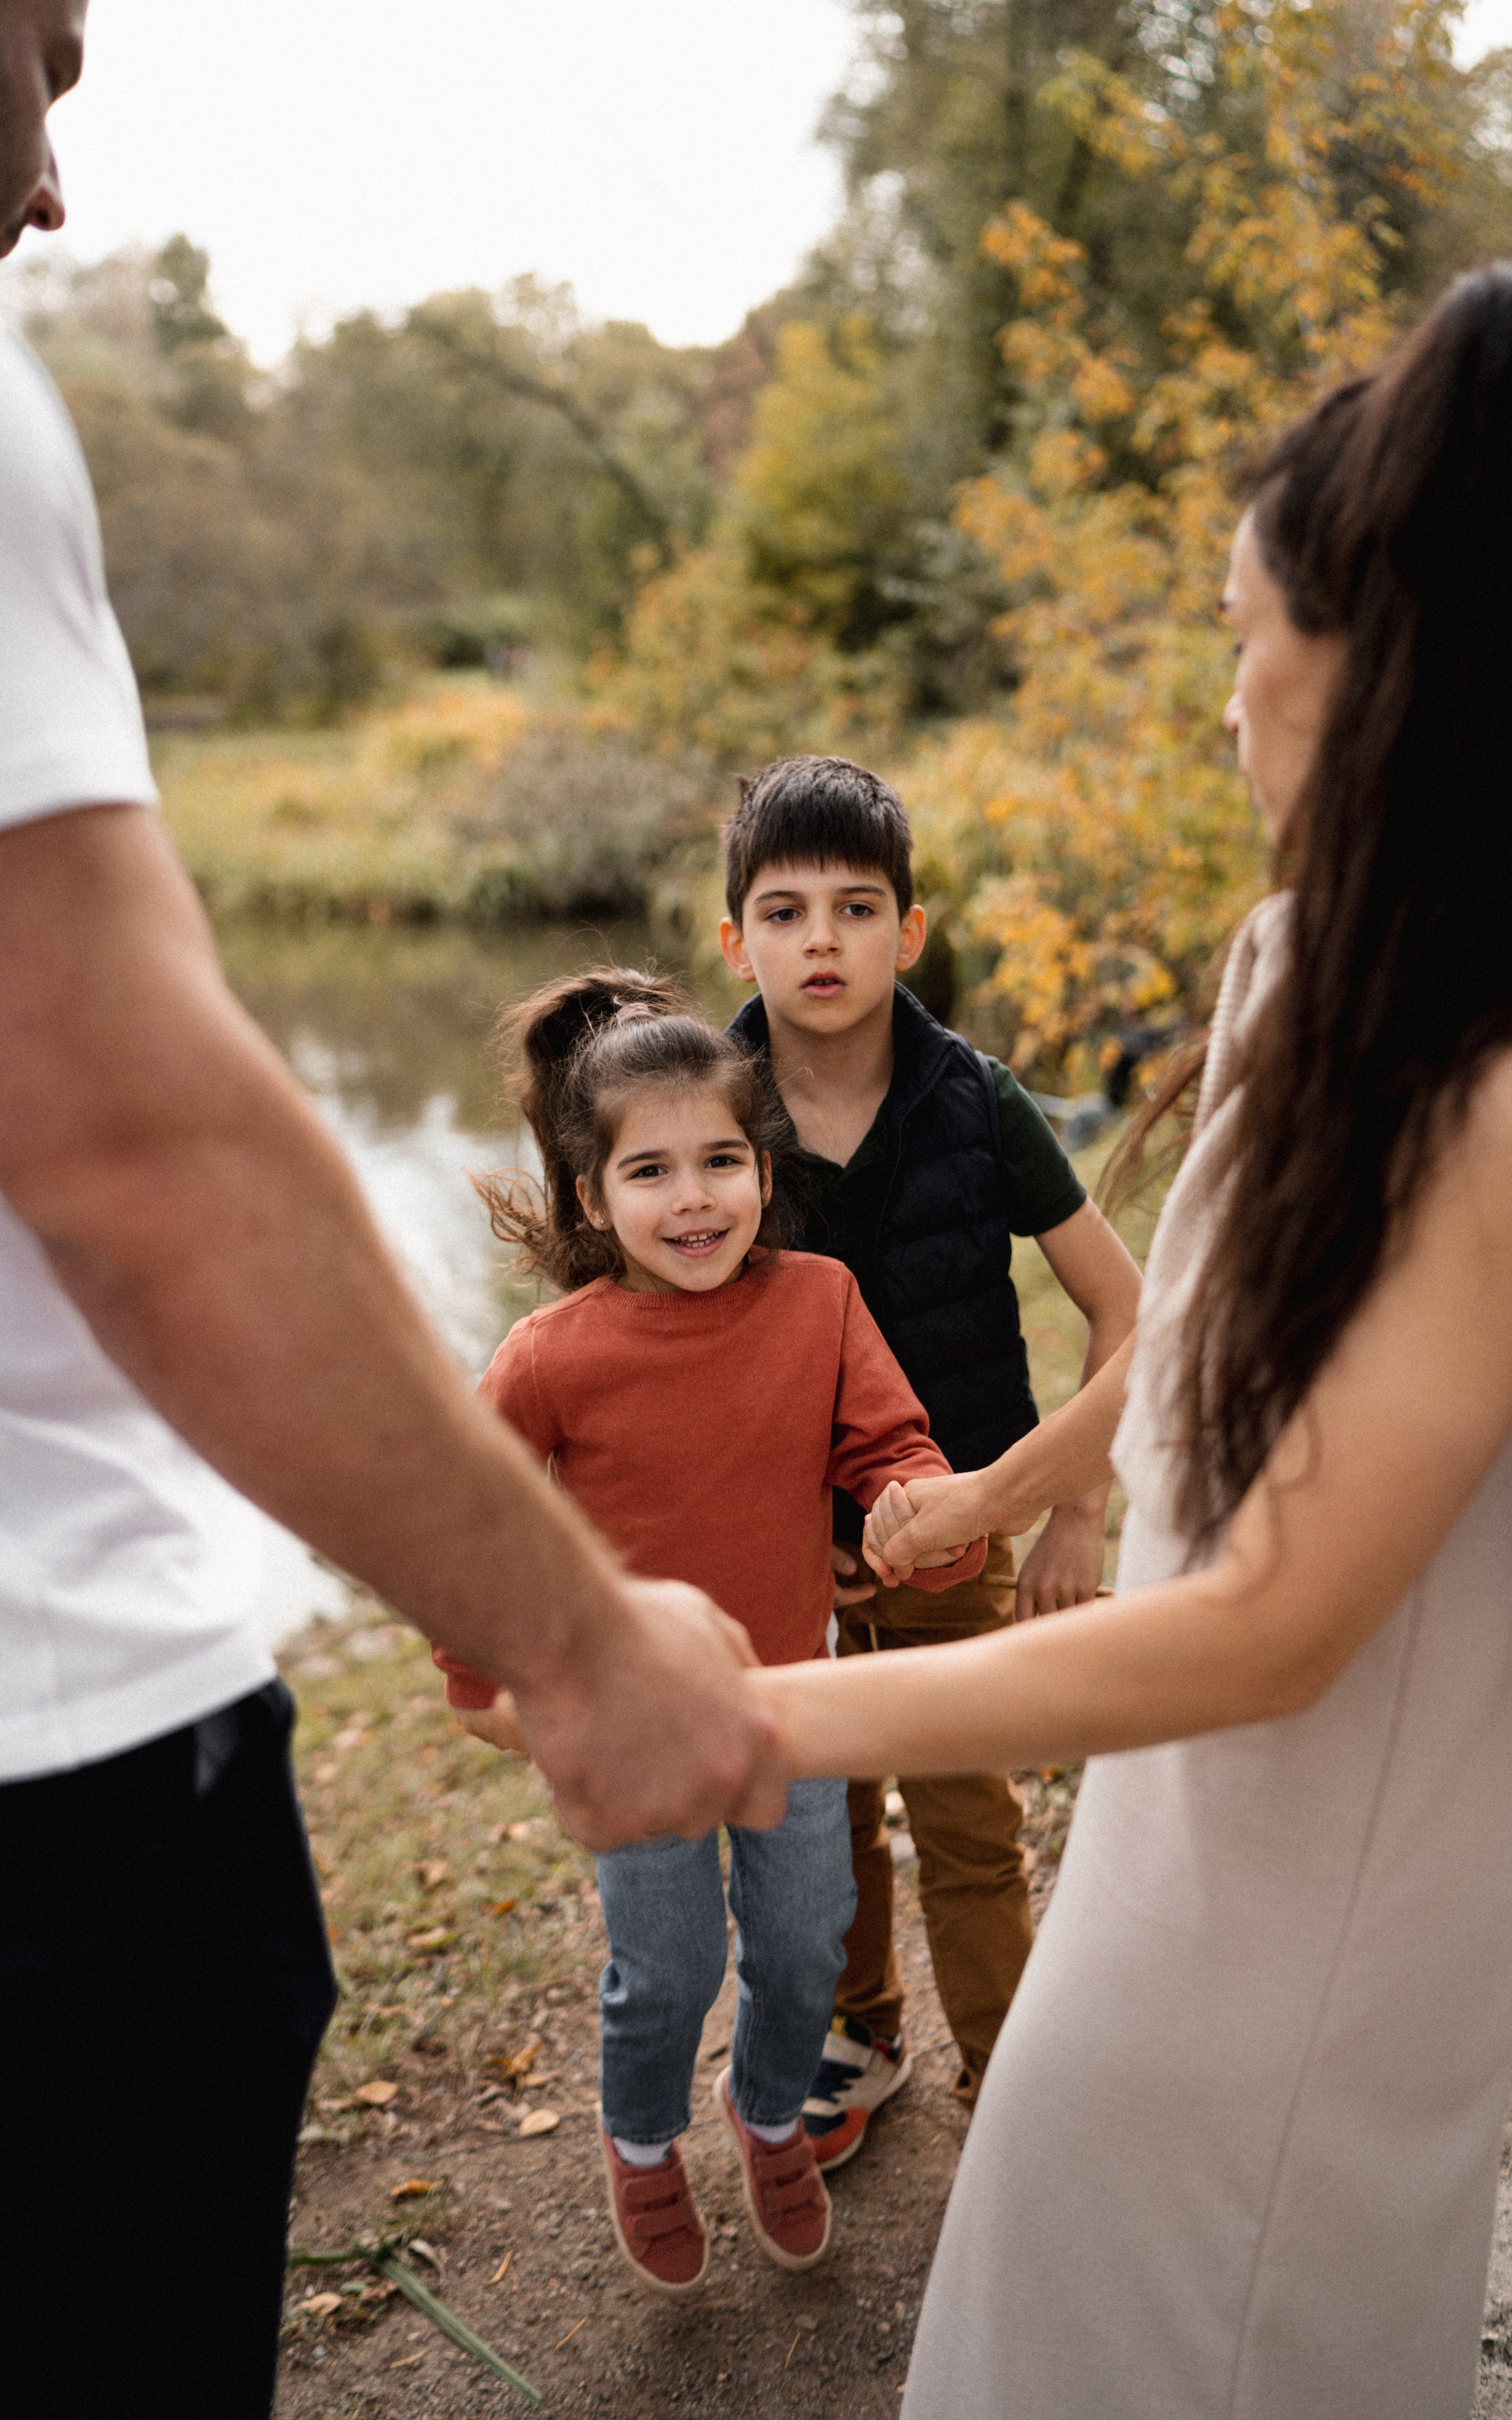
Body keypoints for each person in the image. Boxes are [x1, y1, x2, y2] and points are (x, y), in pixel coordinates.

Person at [0, 9, 783, 2416]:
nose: (55, 180)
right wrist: (579, 1644)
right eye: (49, 66)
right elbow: (136, 1146)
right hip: (3, 1818)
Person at [748, 263, 1512, 2420]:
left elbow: (1274, 1625)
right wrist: (1051, 1479)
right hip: (1169, 1901)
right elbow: (1204, 1371)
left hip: (1278, 2011)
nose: (1222, 700)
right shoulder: (1323, 976)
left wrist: (752, 1715)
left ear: (1381, 655)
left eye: (1232, 634)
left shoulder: (1481, 1080)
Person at [432, 975, 987, 2293]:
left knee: (807, 1939)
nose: (693, 1199)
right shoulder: (548, 1355)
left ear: (762, 1166)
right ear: (589, 1196)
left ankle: (769, 2109)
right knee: (666, 1966)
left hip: (793, 1704)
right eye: (651, 1171)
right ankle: (640, 2138)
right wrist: (483, 1679)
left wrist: (915, 1505)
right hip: (636, 1728)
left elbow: (891, 1446)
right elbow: (465, 1520)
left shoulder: (821, 1302)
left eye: (721, 1161)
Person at [718, 757, 1143, 2157]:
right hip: (778, 1549)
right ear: (734, 941)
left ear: (908, 930)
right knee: (812, 1812)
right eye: (783, 911)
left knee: (965, 1816)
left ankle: (1006, 2079)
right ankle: (861, 2030)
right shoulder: (700, 1119)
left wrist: (1071, 1507)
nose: (820, 939)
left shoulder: (976, 1097)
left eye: (855, 906)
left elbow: (1128, 1302)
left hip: (958, 1523)